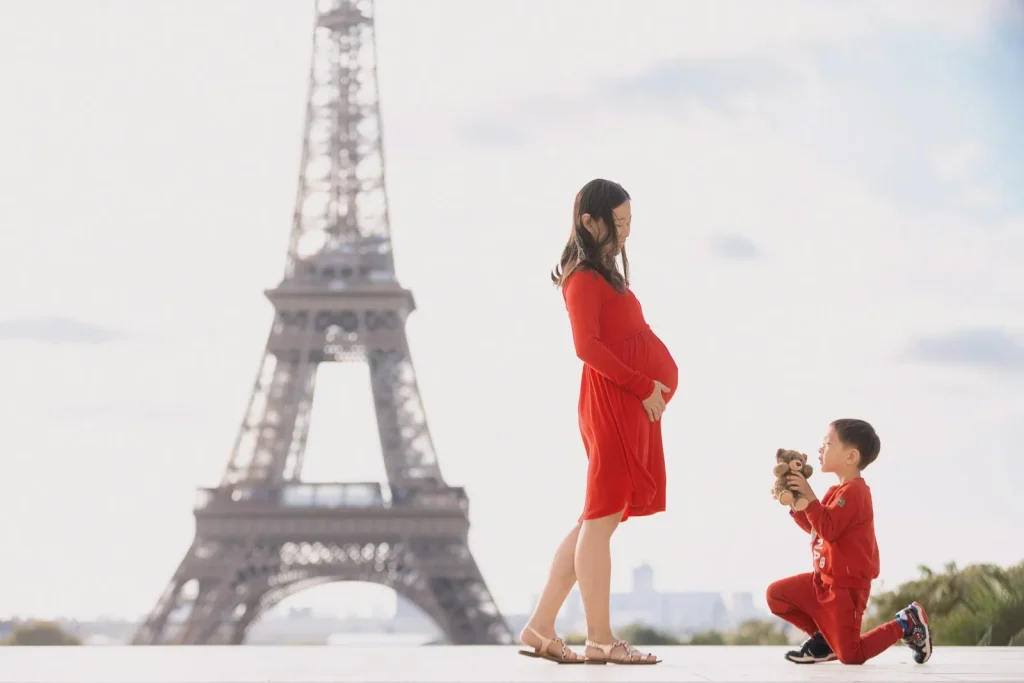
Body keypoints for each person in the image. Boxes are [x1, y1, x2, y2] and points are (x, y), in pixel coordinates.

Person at [517, 179, 678, 665]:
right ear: (590, 221)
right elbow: (586, 347)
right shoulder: (583, 278)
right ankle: (601, 639)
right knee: (600, 518)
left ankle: (541, 627)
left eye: (630, 222)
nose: (626, 233)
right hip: (614, 400)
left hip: (625, 400)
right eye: (619, 223)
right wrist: (644, 386)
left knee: (595, 517)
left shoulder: (603, 273)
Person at [766, 418, 933, 665]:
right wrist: (795, 501)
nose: (820, 449)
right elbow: (817, 528)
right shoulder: (836, 491)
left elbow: (829, 529)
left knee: (852, 656)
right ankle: (824, 640)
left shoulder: (856, 492)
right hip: (822, 582)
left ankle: (907, 622)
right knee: (776, 596)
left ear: (851, 456)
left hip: (846, 589)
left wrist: (809, 495)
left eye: (828, 443)